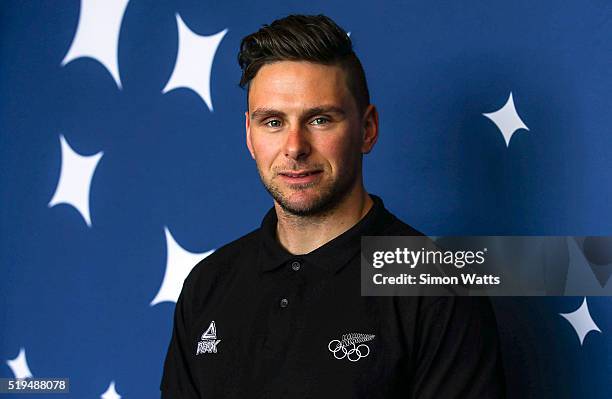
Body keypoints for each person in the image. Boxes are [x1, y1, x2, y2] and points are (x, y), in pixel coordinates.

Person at [160, 14, 505, 398]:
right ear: (249, 135)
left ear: (367, 129)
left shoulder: (435, 284)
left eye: (320, 119)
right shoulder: (209, 283)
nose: (294, 146)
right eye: (273, 122)